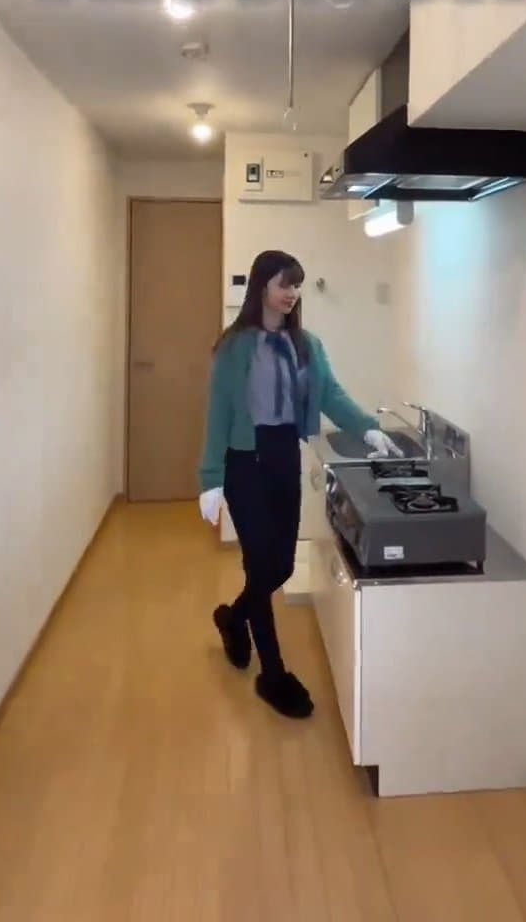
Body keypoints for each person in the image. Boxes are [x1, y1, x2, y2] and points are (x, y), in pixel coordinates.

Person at [197, 249, 402, 719]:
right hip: (245, 462)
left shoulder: (306, 345)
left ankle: (233, 618)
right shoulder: (235, 347)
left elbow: (332, 395)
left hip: (284, 457)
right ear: (261, 287)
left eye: (296, 285)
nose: (291, 293)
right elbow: (219, 412)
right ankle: (273, 674)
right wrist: (210, 479)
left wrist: (369, 429)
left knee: (282, 566)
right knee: (259, 567)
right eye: (283, 283)